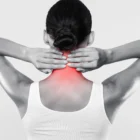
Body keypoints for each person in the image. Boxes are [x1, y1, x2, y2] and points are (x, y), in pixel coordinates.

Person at [0, 0, 140, 139]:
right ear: (90, 38)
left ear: (46, 37)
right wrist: (109, 55)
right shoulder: (111, 93)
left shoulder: (22, 91)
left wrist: (26, 53)